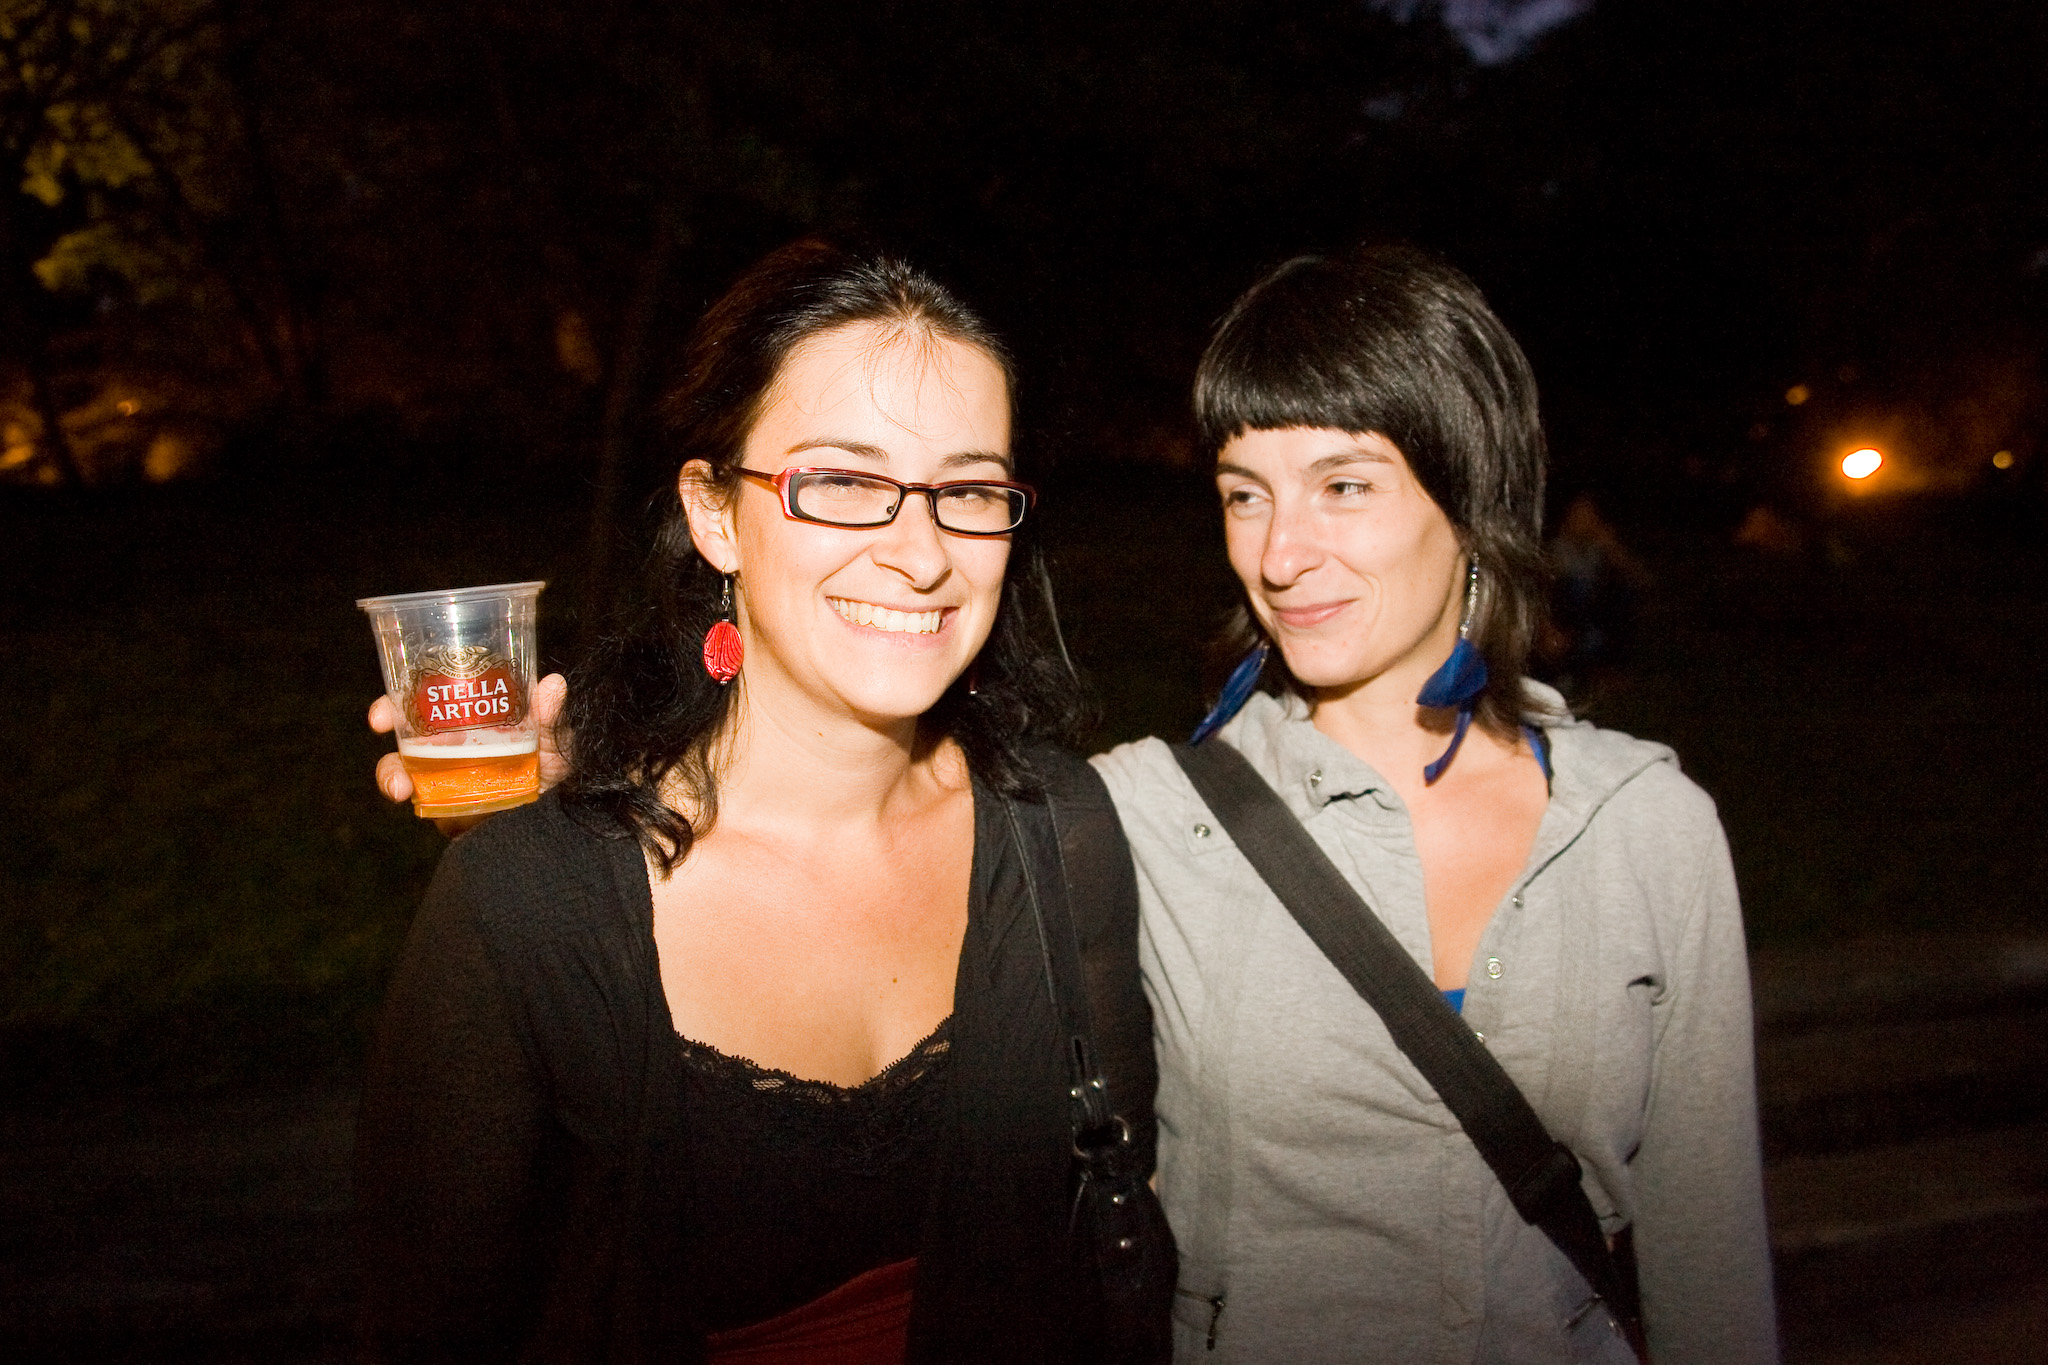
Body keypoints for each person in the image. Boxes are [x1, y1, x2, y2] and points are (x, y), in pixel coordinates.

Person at [355, 239, 1170, 1364]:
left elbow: (1115, 1235)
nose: (921, 553)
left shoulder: (1060, 833)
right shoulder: (528, 901)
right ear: (715, 515)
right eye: (843, 482)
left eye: (969, 490)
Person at [1090, 245, 1777, 1362]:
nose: (1278, 553)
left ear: (1470, 499)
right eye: (1244, 495)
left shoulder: (1644, 825)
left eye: (1344, 485)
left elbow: (1711, 1265)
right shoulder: (1146, 820)